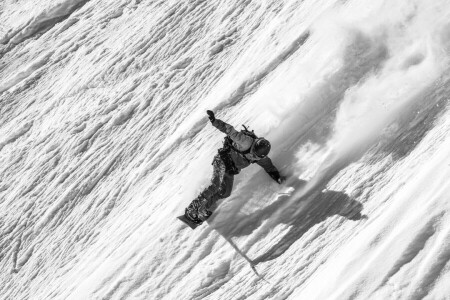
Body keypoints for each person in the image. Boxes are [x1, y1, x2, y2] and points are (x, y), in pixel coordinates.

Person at [184, 110, 285, 225]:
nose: (253, 156)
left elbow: (269, 166)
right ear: (255, 144)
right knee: (215, 185)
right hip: (222, 160)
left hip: (230, 169)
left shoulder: (260, 158)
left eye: (256, 156)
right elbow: (229, 130)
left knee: (225, 192)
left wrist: (277, 177)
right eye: (254, 152)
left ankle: (203, 208)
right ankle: (192, 208)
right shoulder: (246, 142)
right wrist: (214, 120)